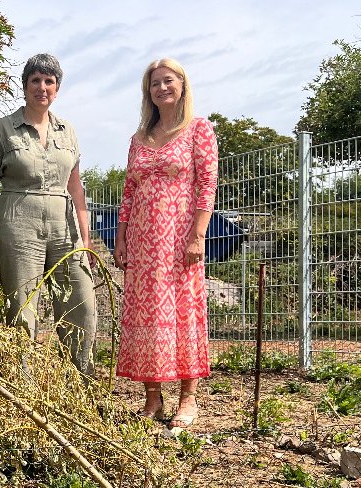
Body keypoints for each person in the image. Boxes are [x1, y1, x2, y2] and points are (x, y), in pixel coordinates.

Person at [0, 53, 97, 376]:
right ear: (25, 85)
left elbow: (76, 189)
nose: (42, 87)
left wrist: (86, 240)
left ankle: (81, 385)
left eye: (49, 82)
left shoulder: (67, 130)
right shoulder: (4, 129)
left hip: (65, 227)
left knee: (81, 303)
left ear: (57, 89)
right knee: (22, 308)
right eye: (35, 81)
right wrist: (5, 226)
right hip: (18, 225)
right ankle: (22, 390)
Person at [113, 58, 218, 429]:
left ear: (182, 85)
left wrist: (198, 236)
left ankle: (188, 399)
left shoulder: (199, 130)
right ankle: (153, 399)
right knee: (145, 316)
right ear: (149, 93)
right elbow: (128, 193)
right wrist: (121, 237)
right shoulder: (138, 139)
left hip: (179, 240)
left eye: (168, 81)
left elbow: (207, 186)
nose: (161, 88)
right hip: (142, 244)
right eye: (154, 84)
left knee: (183, 313)